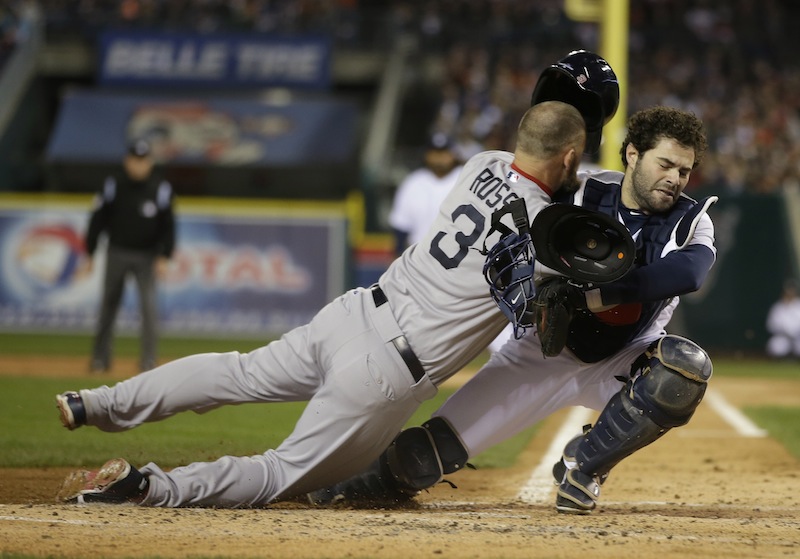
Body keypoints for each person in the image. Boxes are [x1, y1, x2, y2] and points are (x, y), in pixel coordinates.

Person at [52, 97, 590, 507]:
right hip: (388, 370)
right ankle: (145, 488)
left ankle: (95, 402)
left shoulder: (480, 162)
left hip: (353, 313)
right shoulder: (545, 232)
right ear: (569, 157)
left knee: (235, 372)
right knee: (282, 474)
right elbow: (572, 239)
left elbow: (539, 170)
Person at [307, 105, 717, 516]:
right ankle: (326, 481)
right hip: (544, 352)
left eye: (684, 171)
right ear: (632, 154)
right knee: (420, 458)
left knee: (682, 370)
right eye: (665, 164)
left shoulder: (692, 219)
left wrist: (594, 296)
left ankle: (586, 465)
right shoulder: (581, 191)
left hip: (625, 358)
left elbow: (689, 272)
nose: (675, 180)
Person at [85, 139, 175, 374]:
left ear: (150, 162)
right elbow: (98, 219)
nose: (138, 165)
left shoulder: (160, 188)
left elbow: (169, 225)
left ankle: (148, 362)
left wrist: (165, 255)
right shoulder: (113, 185)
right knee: (108, 306)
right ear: (128, 161)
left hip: (147, 255)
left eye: (143, 160)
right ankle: (100, 359)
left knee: (149, 309)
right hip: (117, 252)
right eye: (135, 160)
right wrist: (90, 251)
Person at [388, 132, 462, 257]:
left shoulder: (466, 178)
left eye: (444, 152)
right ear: (426, 155)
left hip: (459, 259)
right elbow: (401, 226)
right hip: (419, 258)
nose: (439, 158)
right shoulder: (413, 182)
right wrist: (396, 258)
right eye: (435, 152)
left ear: (453, 154)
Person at [765, 279, 800, 359]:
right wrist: (784, 330)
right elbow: (770, 325)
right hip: (782, 337)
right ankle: (779, 364)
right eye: (788, 291)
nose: (790, 293)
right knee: (775, 348)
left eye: (792, 290)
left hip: (798, 337)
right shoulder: (777, 307)